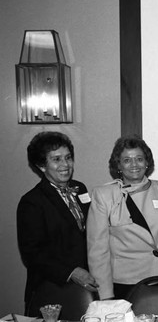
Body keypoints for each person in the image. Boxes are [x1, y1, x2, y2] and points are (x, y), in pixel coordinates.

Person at [87, 136, 158, 300]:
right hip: (125, 282)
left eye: (139, 159)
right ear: (118, 165)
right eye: (127, 160)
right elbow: (98, 250)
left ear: (147, 162)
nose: (134, 165)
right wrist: (105, 296)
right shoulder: (104, 195)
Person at [17, 131, 98, 309]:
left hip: (86, 287)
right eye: (56, 159)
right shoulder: (32, 201)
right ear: (41, 165)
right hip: (52, 288)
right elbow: (32, 254)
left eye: (68, 157)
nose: (65, 165)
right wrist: (72, 272)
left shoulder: (80, 188)